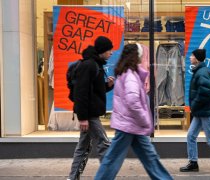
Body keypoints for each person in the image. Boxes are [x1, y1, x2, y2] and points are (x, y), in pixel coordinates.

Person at [95, 43, 173, 180]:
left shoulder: (127, 73)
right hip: (129, 125)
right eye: (141, 54)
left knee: (149, 157)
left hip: (131, 125)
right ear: (136, 56)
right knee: (114, 159)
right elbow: (133, 101)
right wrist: (145, 119)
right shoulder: (130, 75)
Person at [68, 36, 115, 180]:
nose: (111, 53)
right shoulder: (89, 65)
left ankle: (73, 177)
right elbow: (81, 93)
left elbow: (94, 91)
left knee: (83, 147)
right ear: (102, 51)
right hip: (89, 115)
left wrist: (107, 86)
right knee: (104, 144)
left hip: (89, 113)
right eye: (109, 50)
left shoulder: (96, 64)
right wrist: (83, 118)